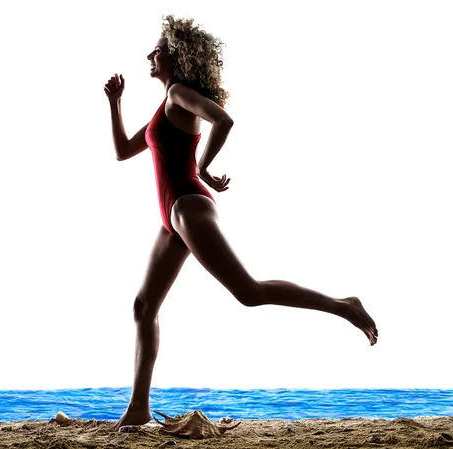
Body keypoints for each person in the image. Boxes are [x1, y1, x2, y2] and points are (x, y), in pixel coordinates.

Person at [104, 15, 378, 431]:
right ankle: (139, 408)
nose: (150, 54)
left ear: (176, 56)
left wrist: (203, 164)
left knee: (248, 291)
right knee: (144, 308)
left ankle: (343, 306)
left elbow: (224, 120)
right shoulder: (165, 106)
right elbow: (124, 151)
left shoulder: (180, 93)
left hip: (188, 206)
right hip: (172, 216)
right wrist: (114, 103)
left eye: (157, 49)